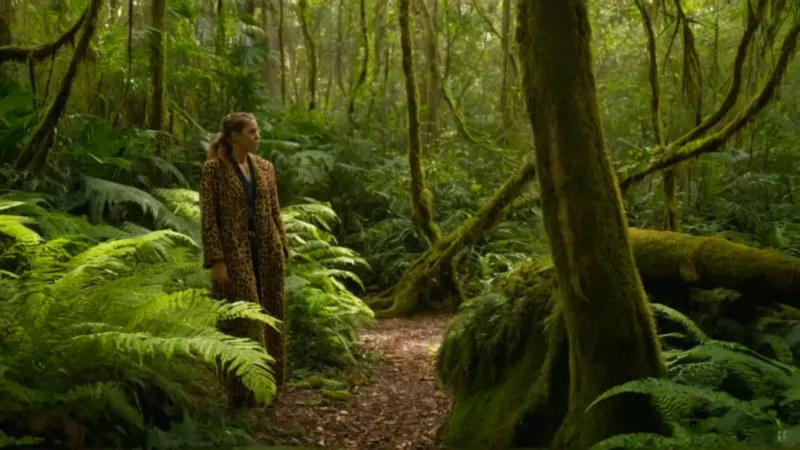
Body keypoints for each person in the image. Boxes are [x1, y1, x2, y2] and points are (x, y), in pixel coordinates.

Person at [199, 112, 288, 408]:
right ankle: (241, 391)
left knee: (271, 314)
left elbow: (275, 211)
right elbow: (209, 220)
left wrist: (283, 248)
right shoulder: (214, 170)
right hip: (235, 254)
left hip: (267, 252)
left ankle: (270, 384)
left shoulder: (265, 167)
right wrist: (216, 261)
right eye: (252, 132)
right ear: (235, 136)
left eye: (257, 131)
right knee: (243, 319)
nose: (257, 136)